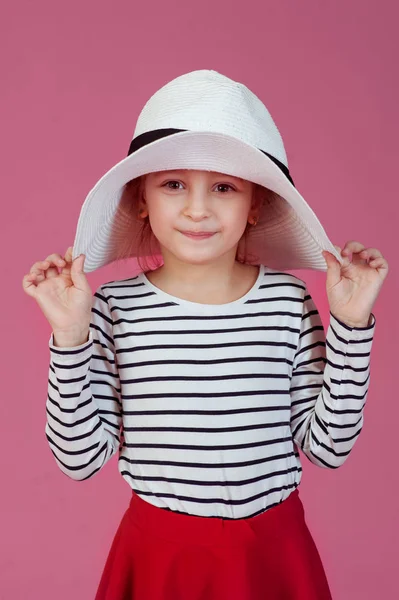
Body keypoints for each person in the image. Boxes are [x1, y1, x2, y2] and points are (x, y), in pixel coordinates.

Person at [22, 70, 388, 600]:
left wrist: (351, 328)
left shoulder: (287, 303)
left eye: (224, 186)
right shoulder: (112, 309)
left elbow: (328, 449)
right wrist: (70, 337)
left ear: (255, 204)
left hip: (274, 554)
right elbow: (79, 460)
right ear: (141, 197)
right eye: (174, 184)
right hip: (159, 558)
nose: (198, 209)